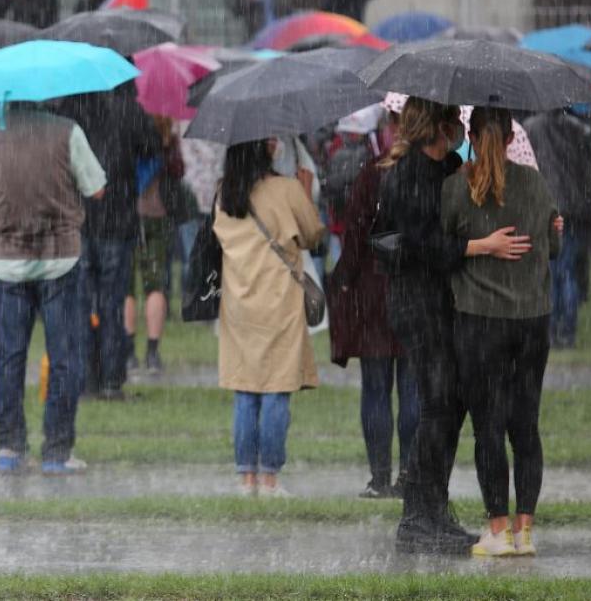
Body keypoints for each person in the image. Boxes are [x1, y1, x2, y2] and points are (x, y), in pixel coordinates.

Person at [377, 96, 533, 555]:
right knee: (439, 402)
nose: (461, 132)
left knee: (450, 402)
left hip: (443, 302)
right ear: (438, 125)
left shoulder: (446, 167)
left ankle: (432, 507)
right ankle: (418, 515)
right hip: (416, 303)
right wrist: (480, 245)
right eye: (455, 124)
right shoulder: (407, 176)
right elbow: (426, 245)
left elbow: (464, 213)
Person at [442, 106, 561, 557]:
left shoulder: (458, 188)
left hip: (479, 320)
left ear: (470, 136)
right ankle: (526, 529)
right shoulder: (534, 183)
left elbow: (446, 246)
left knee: (488, 427)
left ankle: (498, 529)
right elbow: (553, 246)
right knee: (525, 425)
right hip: (533, 320)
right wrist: (554, 229)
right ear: (513, 138)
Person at [0, 101, 106, 475]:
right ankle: (57, 450)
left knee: (10, 357)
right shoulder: (67, 131)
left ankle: (10, 445)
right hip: (59, 259)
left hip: (7, 262)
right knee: (64, 357)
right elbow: (96, 188)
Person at [212, 139, 324, 497]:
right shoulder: (287, 189)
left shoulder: (225, 193)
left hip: (238, 301)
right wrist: (305, 193)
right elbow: (313, 237)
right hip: (280, 302)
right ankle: (271, 476)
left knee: (245, 388)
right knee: (277, 387)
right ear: (262, 148)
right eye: (271, 139)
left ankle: (246, 477)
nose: (277, 143)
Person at [329, 111, 415, 500]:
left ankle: (380, 477)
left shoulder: (372, 174)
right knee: (412, 387)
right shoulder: (431, 174)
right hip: (415, 293)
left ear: (389, 128)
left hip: (372, 292)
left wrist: (343, 280)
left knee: (376, 388)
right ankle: (410, 473)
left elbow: (355, 234)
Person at [58, 85, 154, 399]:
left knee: (81, 301)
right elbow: (151, 149)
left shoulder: (71, 109)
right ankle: (112, 377)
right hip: (118, 219)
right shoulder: (129, 109)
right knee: (113, 302)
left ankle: (86, 376)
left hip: (82, 219)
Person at [523, 108, 591, 349]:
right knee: (568, 271)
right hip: (573, 207)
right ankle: (568, 332)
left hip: (546, 206)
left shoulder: (531, 128)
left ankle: (553, 331)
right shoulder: (577, 128)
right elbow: (585, 171)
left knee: (551, 272)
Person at [125, 116, 178, 378]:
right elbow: (179, 171)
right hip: (156, 213)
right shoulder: (164, 133)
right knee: (154, 284)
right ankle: (153, 353)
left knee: (127, 287)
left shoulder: (125, 124)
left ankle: (128, 354)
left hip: (126, 213)